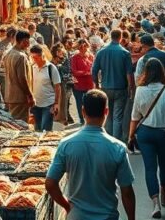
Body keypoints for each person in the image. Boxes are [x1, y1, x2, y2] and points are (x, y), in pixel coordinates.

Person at [46, 89, 136, 220]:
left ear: (83, 111)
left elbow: (50, 183)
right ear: (106, 112)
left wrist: (67, 206)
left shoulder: (66, 145)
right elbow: (127, 191)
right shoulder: (118, 149)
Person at [129, 58, 165, 218]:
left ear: (146, 72)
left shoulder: (140, 90)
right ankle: (164, 189)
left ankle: (155, 203)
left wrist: (130, 136)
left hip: (145, 133)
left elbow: (135, 116)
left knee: (150, 168)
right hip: (164, 134)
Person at [92, 29, 134, 142]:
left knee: (108, 114)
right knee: (118, 116)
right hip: (121, 88)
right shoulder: (125, 52)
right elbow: (129, 74)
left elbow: (94, 71)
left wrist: (96, 86)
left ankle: (108, 139)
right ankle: (116, 141)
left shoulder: (101, 51)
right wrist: (131, 88)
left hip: (105, 87)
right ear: (120, 38)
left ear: (111, 36)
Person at [3, 31, 34, 122]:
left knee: (14, 123)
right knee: (21, 126)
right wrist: (30, 95)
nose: (28, 45)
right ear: (21, 41)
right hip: (20, 97)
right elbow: (22, 78)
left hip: (10, 95)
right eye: (26, 42)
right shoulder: (21, 56)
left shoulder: (9, 54)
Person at [30, 45, 62, 131]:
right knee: (37, 130)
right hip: (35, 105)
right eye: (32, 57)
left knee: (46, 130)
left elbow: (57, 87)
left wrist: (56, 103)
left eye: (36, 57)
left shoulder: (51, 68)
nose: (34, 60)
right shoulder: (32, 67)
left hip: (48, 104)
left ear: (42, 56)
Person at [70, 39, 95, 125]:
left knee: (90, 102)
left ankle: (89, 118)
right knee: (79, 102)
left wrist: (88, 73)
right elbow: (74, 71)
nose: (83, 49)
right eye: (81, 47)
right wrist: (86, 73)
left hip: (89, 83)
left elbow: (94, 69)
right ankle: (81, 118)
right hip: (79, 84)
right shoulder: (74, 57)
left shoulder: (91, 56)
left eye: (85, 46)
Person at [52, 43, 75, 125]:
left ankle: (62, 120)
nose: (61, 53)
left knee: (63, 102)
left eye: (61, 51)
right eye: (59, 51)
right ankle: (55, 119)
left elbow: (67, 69)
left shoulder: (65, 59)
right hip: (53, 83)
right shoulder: (52, 59)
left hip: (62, 82)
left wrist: (58, 66)